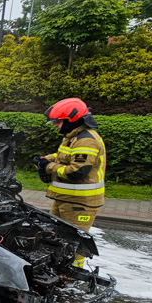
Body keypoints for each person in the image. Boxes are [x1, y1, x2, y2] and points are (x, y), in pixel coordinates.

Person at [34, 98, 106, 268]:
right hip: (65, 199)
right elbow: (64, 156)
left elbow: (77, 172)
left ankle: (72, 280)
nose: (55, 125)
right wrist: (46, 159)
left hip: (80, 203)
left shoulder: (86, 140)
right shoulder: (73, 137)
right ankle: (57, 273)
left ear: (71, 120)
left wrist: (48, 166)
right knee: (56, 238)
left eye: (57, 121)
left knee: (74, 246)